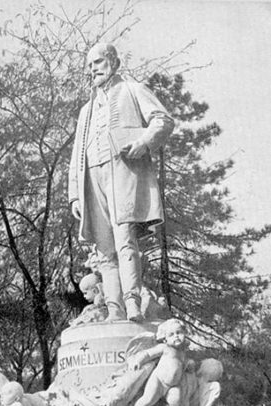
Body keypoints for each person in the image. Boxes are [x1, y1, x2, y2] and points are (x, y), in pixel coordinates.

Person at [69, 42, 174, 322]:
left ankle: (133, 305)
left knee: (125, 240)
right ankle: (113, 309)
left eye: (99, 62)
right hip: (92, 180)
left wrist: (143, 143)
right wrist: (74, 196)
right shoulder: (85, 111)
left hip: (123, 174)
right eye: (90, 64)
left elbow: (163, 120)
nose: (93, 68)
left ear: (114, 63)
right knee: (104, 249)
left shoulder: (132, 90)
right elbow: (76, 152)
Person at [127, 318, 195, 406]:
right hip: (158, 381)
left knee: (175, 400)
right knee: (148, 399)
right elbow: (149, 354)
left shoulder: (182, 352)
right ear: (165, 339)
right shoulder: (165, 348)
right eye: (171, 335)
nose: (176, 336)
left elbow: (183, 364)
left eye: (179, 333)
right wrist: (139, 360)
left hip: (174, 384)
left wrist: (189, 364)